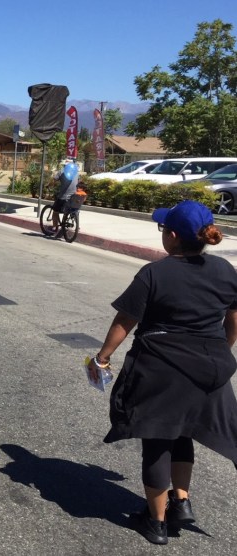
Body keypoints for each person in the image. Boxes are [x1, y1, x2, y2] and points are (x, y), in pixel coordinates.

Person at [88, 200, 237, 545]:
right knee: (183, 433)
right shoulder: (225, 270)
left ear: (172, 236)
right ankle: (180, 501)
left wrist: (103, 358)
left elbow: (126, 320)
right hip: (209, 369)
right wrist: (223, 350)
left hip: (162, 368)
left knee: (158, 440)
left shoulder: (155, 273)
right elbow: (233, 318)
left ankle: (156, 523)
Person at [50, 160, 79, 230]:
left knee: (55, 211)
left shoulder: (61, 172)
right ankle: (77, 226)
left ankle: (54, 227)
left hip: (63, 197)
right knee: (74, 210)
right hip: (74, 197)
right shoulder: (76, 173)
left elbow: (53, 181)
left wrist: (49, 185)